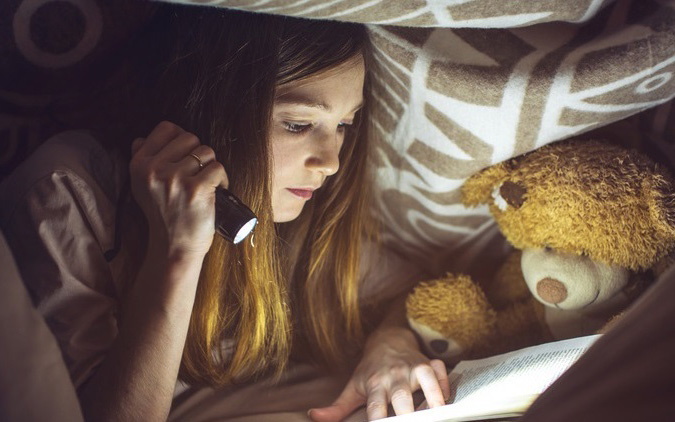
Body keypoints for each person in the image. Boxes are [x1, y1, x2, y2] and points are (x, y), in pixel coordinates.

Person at [0, 3, 448, 421]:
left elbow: (406, 288)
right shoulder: (67, 192)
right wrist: (175, 251)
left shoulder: (299, 208)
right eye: (298, 124)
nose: (330, 161)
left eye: (344, 125)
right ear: (213, 106)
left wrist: (390, 343)